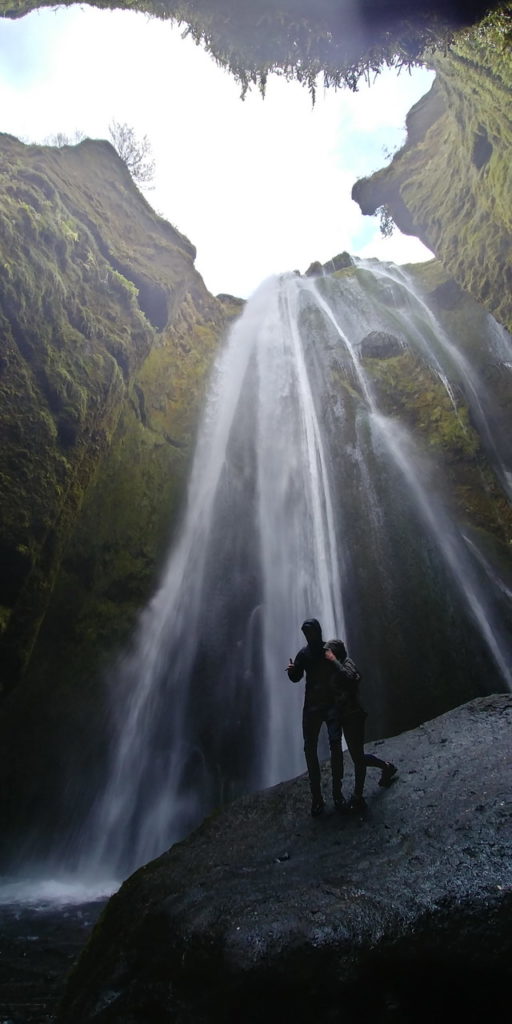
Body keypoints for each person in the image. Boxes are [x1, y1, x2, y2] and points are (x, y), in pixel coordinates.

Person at [324, 638, 397, 812]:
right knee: (357, 756)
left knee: (357, 757)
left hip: (354, 715)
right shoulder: (333, 668)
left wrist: (333, 661)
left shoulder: (347, 664)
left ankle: (384, 769)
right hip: (342, 716)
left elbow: (350, 679)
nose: (327, 655)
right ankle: (360, 792)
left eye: (330, 652)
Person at [286, 618, 345, 817]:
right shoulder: (304, 654)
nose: (308, 636)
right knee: (310, 749)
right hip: (312, 707)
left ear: (318, 632)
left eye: (310, 632)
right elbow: (296, 677)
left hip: (329, 705)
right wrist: (292, 671)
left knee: (335, 746)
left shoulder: (328, 651)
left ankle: (337, 793)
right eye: (305, 633)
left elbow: (342, 672)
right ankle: (317, 797)